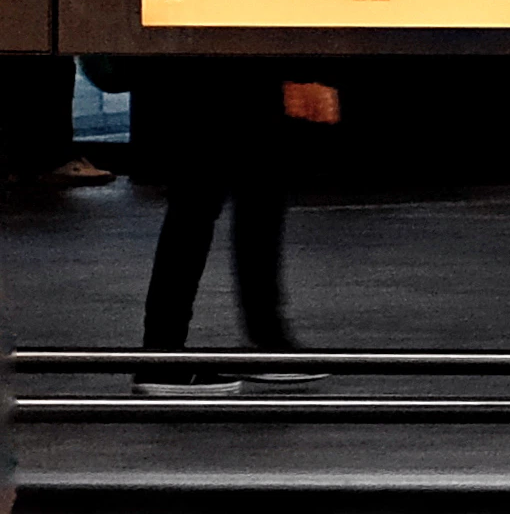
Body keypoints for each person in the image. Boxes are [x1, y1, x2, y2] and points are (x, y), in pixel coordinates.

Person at [97, 58, 337, 384]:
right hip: (226, 62)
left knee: (231, 196)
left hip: (205, 59)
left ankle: (168, 350)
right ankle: (168, 354)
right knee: (227, 196)